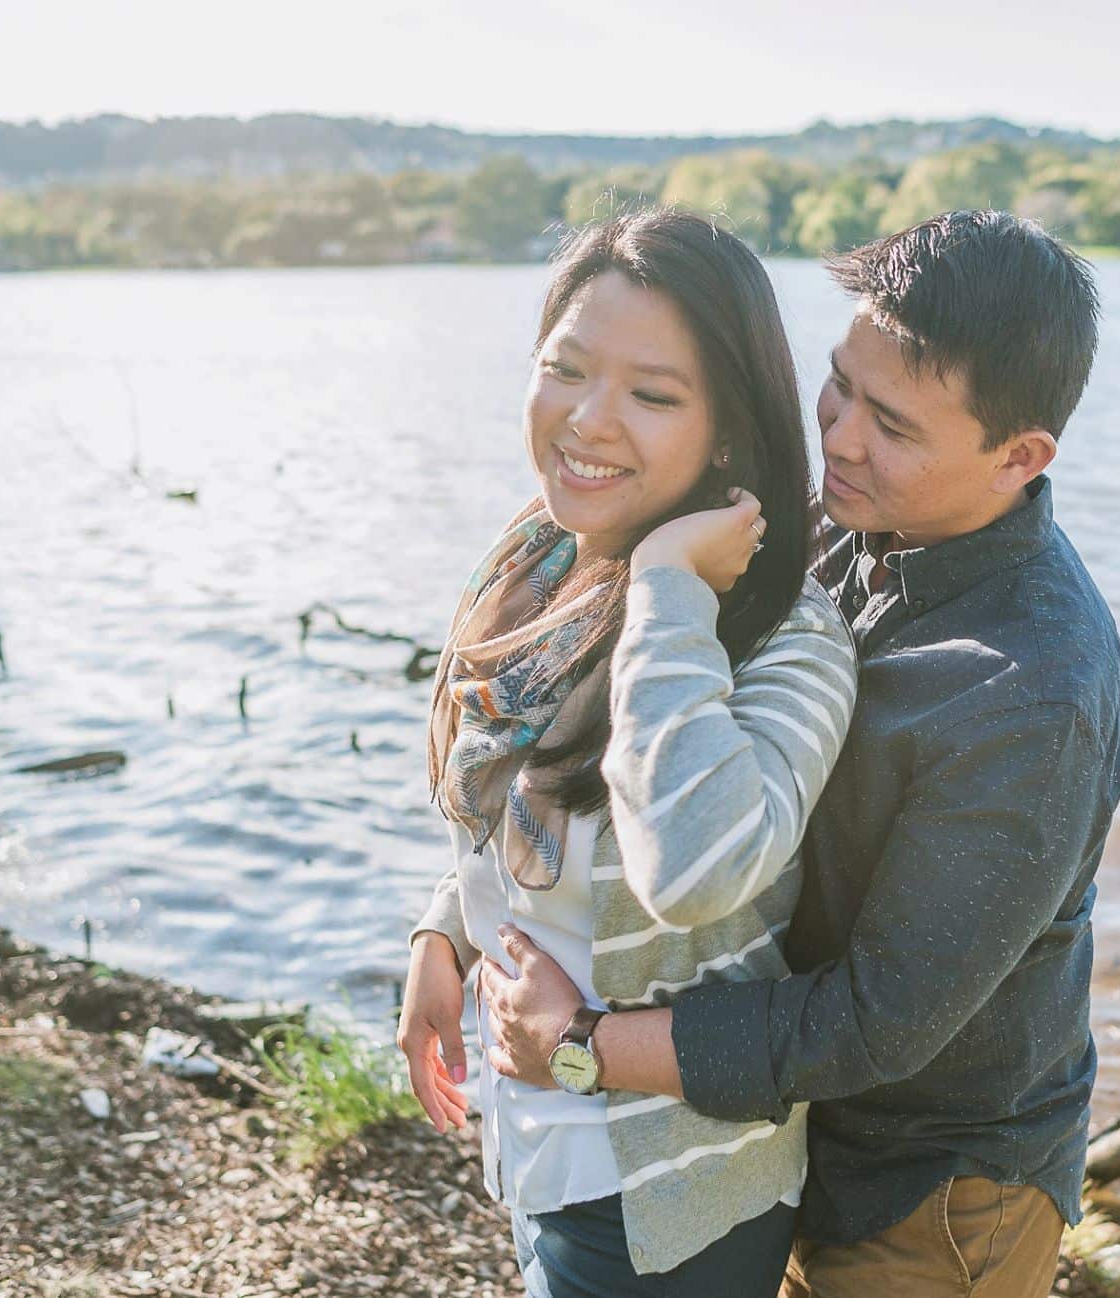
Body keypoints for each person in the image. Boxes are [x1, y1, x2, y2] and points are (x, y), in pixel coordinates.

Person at [478, 209, 1120, 1298]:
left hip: (934, 1186)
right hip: (780, 1132)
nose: (839, 437)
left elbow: (873, 1024)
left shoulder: (1034, 692)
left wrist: (584, 1042)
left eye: (895, 423)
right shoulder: (842, 524)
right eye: (840, 385)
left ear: (1021, 457)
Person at [396, 208, 859, 1297]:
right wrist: (443, 938)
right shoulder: (545, 558)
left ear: (732, 431)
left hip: (668, 1197)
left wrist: (666, 587)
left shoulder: (787, 637)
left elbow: (694, 867)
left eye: (653, 395)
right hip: (540, 1146)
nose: (589, 420)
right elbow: (525, 805)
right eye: (566, 369)